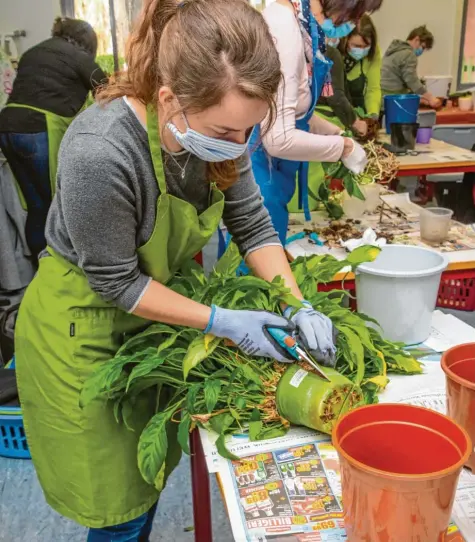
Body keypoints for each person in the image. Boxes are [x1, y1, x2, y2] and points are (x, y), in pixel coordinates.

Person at [14, 0, 338, 539]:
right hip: (82, 331)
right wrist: (222, 320)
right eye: (225, 131)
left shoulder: (211, 134)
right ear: (169, 99)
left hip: (154, 319)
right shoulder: (102, 152)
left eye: (247, 133)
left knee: (150, 474)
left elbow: (254, 225)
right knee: (118, 507)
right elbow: (116, 281)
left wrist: (293, 300)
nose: (236, 149)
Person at [251, 0, 383, 243]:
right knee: (253, 264)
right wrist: (343, 148)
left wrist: (330, 131)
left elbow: (292, 109)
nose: (354, 23)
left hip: (273, 171)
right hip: (261, 168)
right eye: (356, 14)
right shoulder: (285, 28)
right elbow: (278, 138)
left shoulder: (302, 29)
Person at [0, 17, 107, 260]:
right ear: (86, 42)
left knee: (37, 206)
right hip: (38, 130)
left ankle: (41, 267)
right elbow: (107, 90)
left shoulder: (32, 52)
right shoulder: (77, 56)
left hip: (7, 127)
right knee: (59, 205)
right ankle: (60, 268)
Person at [381, 25, 441, 108]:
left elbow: (399, 80)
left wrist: (420, 99)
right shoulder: (409, 54)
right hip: (392, 103)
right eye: (422, 47)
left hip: (381, 99)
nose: (422, 51)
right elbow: (412, 81)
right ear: (416, 39)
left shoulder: (394, 50)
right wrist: (431, 98)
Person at [340, 14, 382, 119]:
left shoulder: (373, 52)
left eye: (366, 46)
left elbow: (373, 88)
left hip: (360, 110)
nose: (362, 50)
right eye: (357, 46)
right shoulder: (334, 51)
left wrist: (372, 114)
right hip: (336, 111)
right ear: (346, 40)